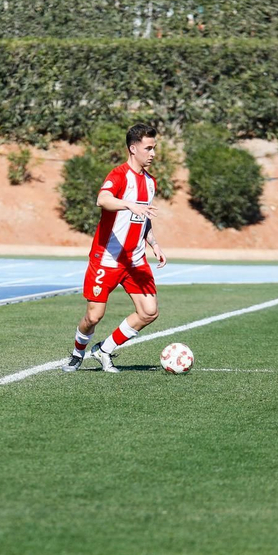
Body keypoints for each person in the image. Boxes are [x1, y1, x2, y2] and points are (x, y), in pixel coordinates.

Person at [64, 123, 167, 373]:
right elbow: (103, 199)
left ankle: (104, 350)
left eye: (154, 148)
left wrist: (153, 243)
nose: (153, 153)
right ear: (133, 148)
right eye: (148, 148)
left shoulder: (150, 182)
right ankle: (78, 353)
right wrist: (129, 204)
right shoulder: (118, 175)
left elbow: (144, 216)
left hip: (135, 260)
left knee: (149, 312)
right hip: (106, 259)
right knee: (93, 317)